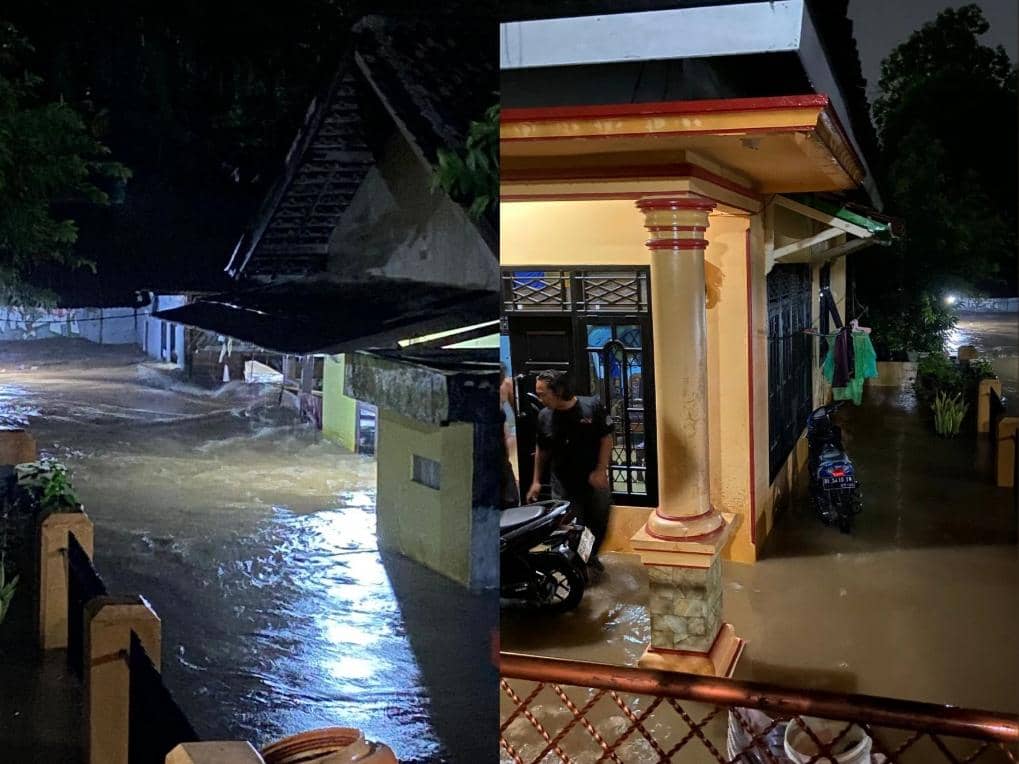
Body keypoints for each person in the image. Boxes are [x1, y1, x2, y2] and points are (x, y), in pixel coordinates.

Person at [525, 369, 612, 572]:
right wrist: (536, 481)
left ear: (559, 391)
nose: (539, 398)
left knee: (597, 523)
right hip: (564, 483)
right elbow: (542, 449)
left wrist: (600, 470)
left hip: (593, 480)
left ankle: (588, 556)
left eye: (542, 393)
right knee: (572, 527)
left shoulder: (591, 407)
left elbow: (606, 438)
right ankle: (576, 567)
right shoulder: (545, 417)